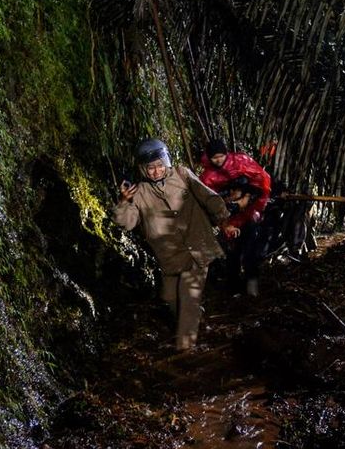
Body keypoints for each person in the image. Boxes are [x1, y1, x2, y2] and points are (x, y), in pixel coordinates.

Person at [112, 138, 238, 351]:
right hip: (170, 256)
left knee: (188, 298)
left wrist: (224, 220)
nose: (156, 171)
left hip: (198, 246)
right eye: (150, 168)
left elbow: (208, 197)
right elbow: (127, 222)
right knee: (170, 297)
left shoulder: (181, 174)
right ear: (143, 169)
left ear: (166, 161)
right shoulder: (139, 192)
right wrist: (124, 202)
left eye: (159, 165)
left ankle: (187, 350)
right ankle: (197, 324)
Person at [199, 139, 271, 296]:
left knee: (251, 248)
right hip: (228, 217)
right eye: (214, 157)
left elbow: (261, 182)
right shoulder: (207, 177)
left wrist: (245, 198)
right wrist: (226, 216)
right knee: (233, 251)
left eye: (221, 156)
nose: (218, 160)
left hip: (250, 212)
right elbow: (209, 202)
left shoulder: (241, 162)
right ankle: (233, 286)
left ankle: (252, 282)